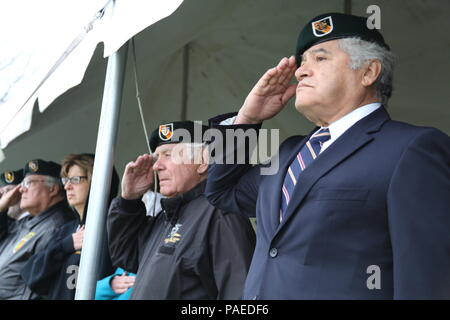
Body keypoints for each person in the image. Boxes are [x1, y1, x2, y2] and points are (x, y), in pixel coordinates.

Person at [205, 12, 450, 299]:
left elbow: (426, 278)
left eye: (320, 59)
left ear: (369, 72)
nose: (300, 72)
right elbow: (222, 191)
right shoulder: (288, 152)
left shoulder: (412, 148)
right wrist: (246, 119)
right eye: (302, 62)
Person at [107, 121, 256, 299]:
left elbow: (239, 293)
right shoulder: (167, 215)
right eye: (156, 157)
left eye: (168, 155)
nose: (156, 166)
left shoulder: (220, 213)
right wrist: (128, 201)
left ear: (202, 161)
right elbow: (127, 255)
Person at [20, 153, 118, 299]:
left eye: (76, 180)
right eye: (66, 180)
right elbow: (30, 275)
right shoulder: (65, 230)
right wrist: (66, 246)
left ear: (97, 180)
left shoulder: (114, 224)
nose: (67, 186)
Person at [0, 159, 76, 299]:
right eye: (22, 184)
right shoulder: (27, 222)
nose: (22, 189)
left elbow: (40, 279)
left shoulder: (57, 225)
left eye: (29, 183)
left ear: (52, 189)